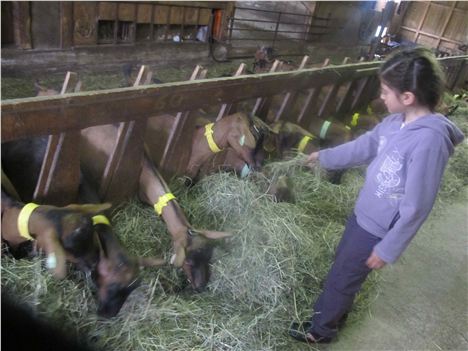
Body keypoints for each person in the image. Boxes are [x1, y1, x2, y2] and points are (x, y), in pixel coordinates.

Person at [289, 47, 465, 344]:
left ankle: (320, 331)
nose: (381, 97)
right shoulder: (394, 122)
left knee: (342, 277)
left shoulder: (429, 141)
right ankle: (335, 315)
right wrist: (325, 157)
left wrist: (388, 248)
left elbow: (417, 206)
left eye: (386, 92)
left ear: (407, 97)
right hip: (363, 214)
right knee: (343, 268)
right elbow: (364, 147)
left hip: (379, 228)